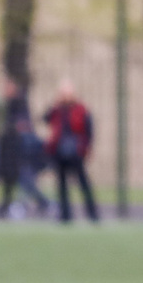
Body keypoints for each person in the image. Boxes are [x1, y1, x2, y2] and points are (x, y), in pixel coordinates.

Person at [41, 79, 99, 224]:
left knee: (83, 183)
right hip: (59, 152)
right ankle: (65, 215)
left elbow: (88, 131)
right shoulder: (57, 110)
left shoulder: (81, 109)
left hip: (76, 152)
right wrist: (55, 104)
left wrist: (85, 149)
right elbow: (45, 118)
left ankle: (92, 214)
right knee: (61, 184)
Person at [0, 76, 45, 220]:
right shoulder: (5, 105)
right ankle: (7, 204)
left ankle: (42, 203)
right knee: (10, 180)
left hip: (19, 150)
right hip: (7, 149)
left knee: (24, 179)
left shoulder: (19, 104)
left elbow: (22, 126)